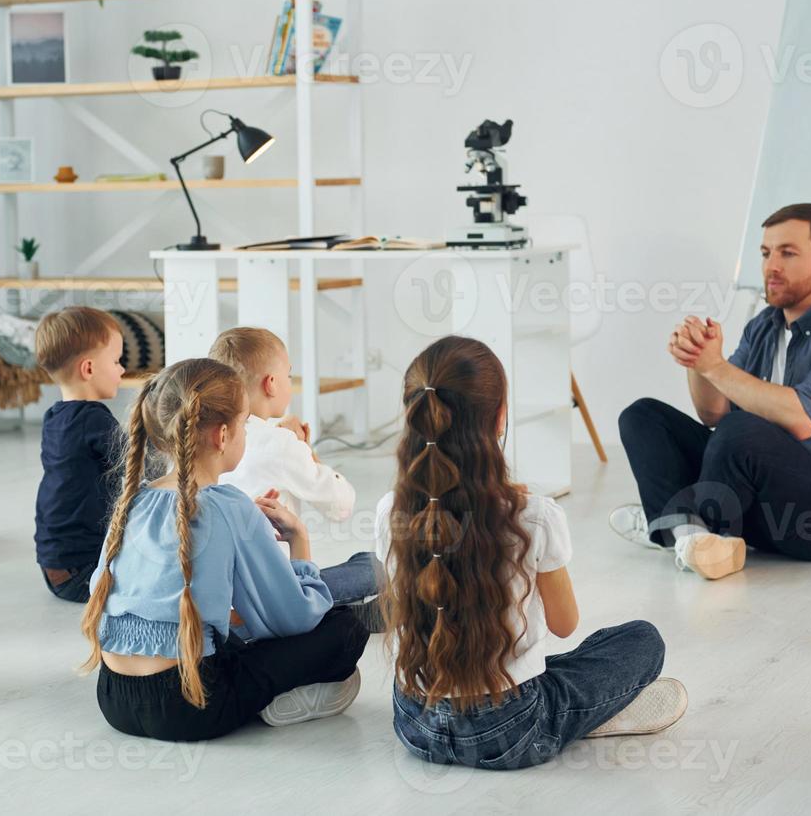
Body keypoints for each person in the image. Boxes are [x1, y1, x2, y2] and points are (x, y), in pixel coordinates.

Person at [384, 336, 686, 770]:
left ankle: (574, 715)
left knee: (546, 666)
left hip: (415, 722)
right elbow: (566, 625)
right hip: (508, 730)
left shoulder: (387, 512)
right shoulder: (535, 515)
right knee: (642, 640)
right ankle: (576, 720)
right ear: (500, 418)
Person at [81, 358, 369, 742]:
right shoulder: (228, 505)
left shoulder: (133, 500)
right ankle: (283, 698)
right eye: (245, 424)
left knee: (229, 631)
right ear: (221, 435)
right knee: (346, 627)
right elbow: (296, 619)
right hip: (191, 707)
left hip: (113, 698)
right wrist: (299, 541)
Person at [613, 203, 811, 579]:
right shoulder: (764, 325)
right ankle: (692, 538)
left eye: (788, 253)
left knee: (742, 429)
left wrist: (716, 366)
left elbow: (803, 418)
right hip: (763, 507)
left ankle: (673, 523)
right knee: (643, 415)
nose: (771, 265)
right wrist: (699, 360)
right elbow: (713, 413)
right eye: (766, 253)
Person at [208, 326, 380, 616]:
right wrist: (306, 449)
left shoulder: (209, 436)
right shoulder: (280, 444)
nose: (291, 381)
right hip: (273, 596)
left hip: (219, 596)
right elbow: (341, 504)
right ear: (271, 384)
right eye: (289, 374)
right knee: (374, 566)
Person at [32, 306, 127, 603]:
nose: (122, 369)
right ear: (88, 369)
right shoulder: (94, 419)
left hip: (57, 569)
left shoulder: (54, 416)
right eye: (116, 361)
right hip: (84, 571)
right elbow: (139, 464)